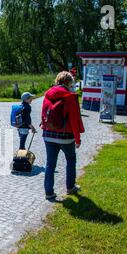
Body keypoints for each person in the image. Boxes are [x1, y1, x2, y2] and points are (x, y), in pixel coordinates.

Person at [41, 71, 85, 201]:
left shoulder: (47, 95)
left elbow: (44, 115)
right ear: (68, 82)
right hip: (66, 136)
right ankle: (70, 187)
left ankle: (49, 193)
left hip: (48, 134)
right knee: (70, 160)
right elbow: (74, 120)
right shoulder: (70, 97)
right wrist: (77, 139)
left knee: (50, 164)